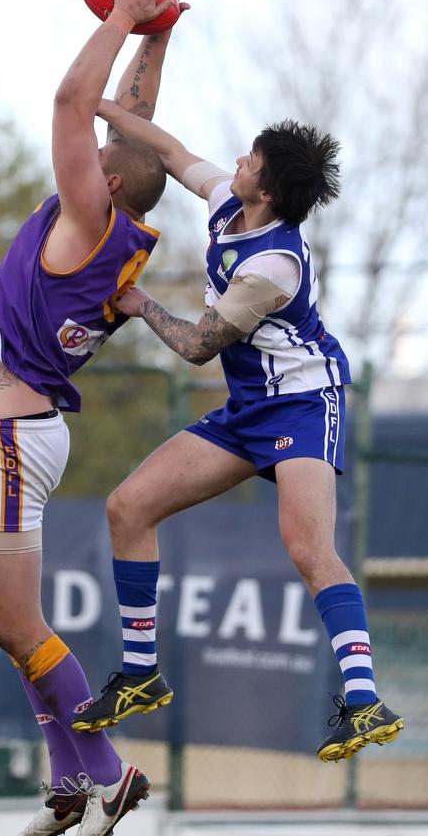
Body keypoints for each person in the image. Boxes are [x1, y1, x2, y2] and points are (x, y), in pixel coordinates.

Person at [72, 101, 404, 764]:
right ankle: (141, 674)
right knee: (128, 507)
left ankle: (365, 699)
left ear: (270, 191)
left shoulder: (275, 264)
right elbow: (167, 150)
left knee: (308, 547)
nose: (239, 161)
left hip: (306, 404)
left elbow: (198, 345)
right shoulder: (229, 199)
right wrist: (99, 105)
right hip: (249, 407)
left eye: (251, 159)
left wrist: (138, 302)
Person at [0, 0, 187, 836]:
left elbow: (73, 101)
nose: (85, 150)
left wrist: (119, 14)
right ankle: (66, 781)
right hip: (14, 434)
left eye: (96, 160)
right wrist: (157, 34)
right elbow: (123, 119)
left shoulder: (88, 214)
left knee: (15, 621)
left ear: (106, 185)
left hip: (8, 438)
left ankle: (108, 772)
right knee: (18, 628)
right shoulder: (119, 224)